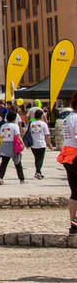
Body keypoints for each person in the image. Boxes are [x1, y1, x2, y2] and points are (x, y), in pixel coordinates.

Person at [57, 94, 77, 237]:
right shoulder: (76, 118)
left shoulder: (68, 118)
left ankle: (73, 224)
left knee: (75, 191)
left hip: (68, 155)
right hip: (75, 154)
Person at [0, 108, 26, 185]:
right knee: (18, 162)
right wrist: (23, 144)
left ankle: (0, 177)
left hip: (5, 144)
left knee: (4, 162)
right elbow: (18, 136)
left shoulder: (3, 126)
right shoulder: (15, 126)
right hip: (13, 145)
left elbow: (1, 136)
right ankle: (22, 179)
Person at [25, 108, 52, 179]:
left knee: (36, 158)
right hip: (41, 143)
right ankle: (37, 172)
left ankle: (39, 172)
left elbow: (29, 133)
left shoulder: (31, 124)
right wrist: (49, 144)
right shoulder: (43, 124)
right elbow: (47, 135)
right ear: (42, 116)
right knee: (40, 159)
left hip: (33, 144)